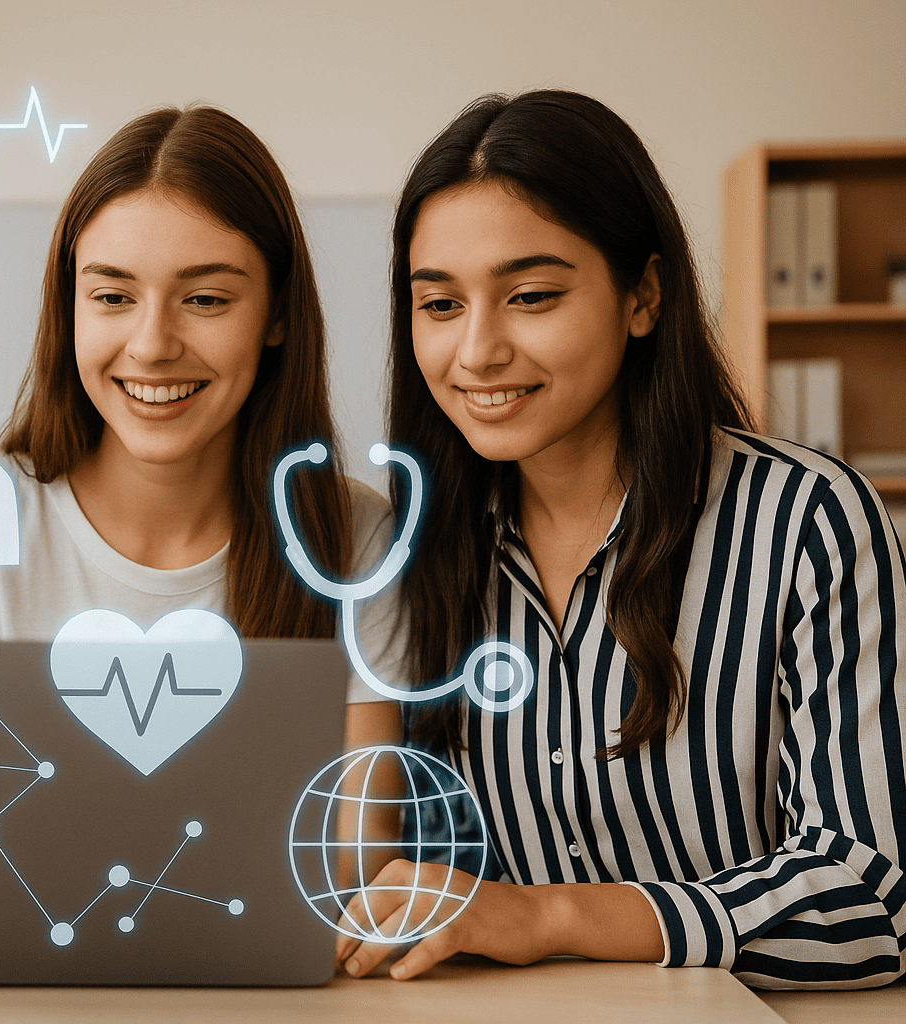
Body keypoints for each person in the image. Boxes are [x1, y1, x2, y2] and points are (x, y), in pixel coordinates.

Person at [334, 90, 905, 989]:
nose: (476, 351)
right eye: (439, 305)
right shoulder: (412, 553)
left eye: (530, 295)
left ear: (643, 295)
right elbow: (388, 875)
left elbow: (873, 900)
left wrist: (551, 913)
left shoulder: (807, 523)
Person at [0, 105, 400, 756]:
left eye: (206, 299)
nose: (152, 345)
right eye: (113, 297)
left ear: (278, 315)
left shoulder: (355, 541)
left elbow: (357, 849)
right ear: (68, 308)